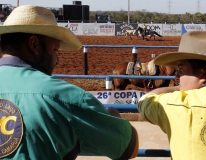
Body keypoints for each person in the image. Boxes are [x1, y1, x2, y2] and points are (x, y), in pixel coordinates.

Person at [0, 5, 138, 160]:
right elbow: (129, 148)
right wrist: (112, 114)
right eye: (55, 50)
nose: (57, 60)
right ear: (34, 44)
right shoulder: (65, 97)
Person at [138, 31, 206, 159]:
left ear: (204, 74)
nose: (177, 77)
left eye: (180, 70)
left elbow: (145, 100)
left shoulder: (175, 104)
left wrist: (180, 88)